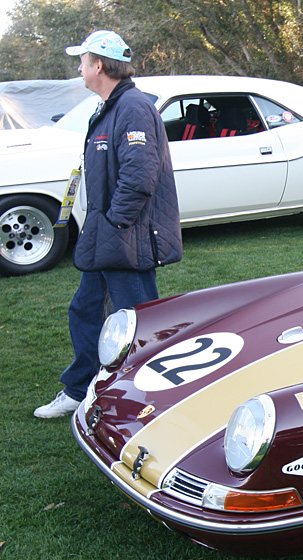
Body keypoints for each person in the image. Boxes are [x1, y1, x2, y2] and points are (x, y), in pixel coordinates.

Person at [34, 30, 182, 418]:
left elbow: (140, 174)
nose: (78, 68)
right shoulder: (109, 105)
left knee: (138, 322)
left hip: (125, 237)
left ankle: (151, 398)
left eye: (81, 61)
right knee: (85, 309)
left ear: (99, 65)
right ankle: (81, 388)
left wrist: (115, 223)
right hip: (107, 237)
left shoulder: (132, 106)